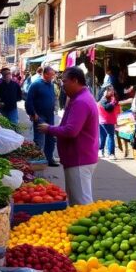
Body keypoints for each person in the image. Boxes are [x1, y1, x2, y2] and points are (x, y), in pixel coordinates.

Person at [36, 67, 100, 205]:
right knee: (76, 201)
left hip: (79, 158)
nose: (62, 85)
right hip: (78, 157)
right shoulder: (79, 98)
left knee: (82, 203)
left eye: (64, 81)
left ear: (75, 81)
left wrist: (49, 129)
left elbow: (71, 131)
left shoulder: (81, 101)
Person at [25, 66, 59, 167]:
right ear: (45, 74)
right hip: (39, 116)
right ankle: (37, 161)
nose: (53, 77)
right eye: (51, 75)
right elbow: (29, 101)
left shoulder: (51, 85)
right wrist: (32, 113)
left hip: (50, 116)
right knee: (39, 139)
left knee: (50, 138)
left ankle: (49, 159)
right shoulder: (36, 84)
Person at [98, 85, 119, 161]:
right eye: (110, 90)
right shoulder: (103, 99)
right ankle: (111, 153)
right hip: (106, 121)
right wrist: (113, 102)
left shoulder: (110, 98)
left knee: (103, 136)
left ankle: (101, 151)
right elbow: (108, 108)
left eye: (112, 90)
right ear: (105, 91)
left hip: (103, 120)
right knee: (110, 136)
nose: (112, 91)